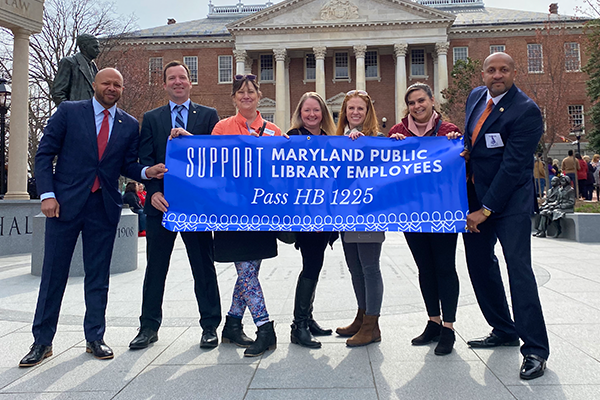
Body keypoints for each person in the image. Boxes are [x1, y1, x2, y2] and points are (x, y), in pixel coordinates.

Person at [20, 68, 167, 368]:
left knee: (98, 277)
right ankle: (42, 341)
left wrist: (145, 172)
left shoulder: (127, 124)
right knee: (53, 275)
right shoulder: (69, 112)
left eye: (117, 84)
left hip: (103, 206)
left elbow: (127, 164)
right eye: (106, 83)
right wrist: (47, 194)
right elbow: (44, 154)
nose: (112, 88)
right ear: (95, 85)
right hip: (64, 205)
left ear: (122, 89)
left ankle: (95, 337)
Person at [462, 52, 549, 380]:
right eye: (491, 70)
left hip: (510, 203)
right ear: (483, 74)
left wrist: (486, 210)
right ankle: (503, 328)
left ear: (514, 72)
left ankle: (536, 350)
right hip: (475, 199)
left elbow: (514, 166)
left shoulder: (526, 110)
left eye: (504, 70)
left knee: (519, 271)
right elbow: (474, 142)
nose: (497, 75)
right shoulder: (474, 97)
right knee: (480, 266)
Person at [130, 60, 222, 350]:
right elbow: (144, 161)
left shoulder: (208, 116)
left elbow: (217, 156)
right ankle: (148, 326)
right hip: (161, 205)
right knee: (156, 267)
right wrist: (152, 190)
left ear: (190, 82)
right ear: (165, 84)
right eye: (172, 78)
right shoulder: (153, 118)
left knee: (203, 266)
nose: (178, 82)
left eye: (183, 77)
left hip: (196, 207)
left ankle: (210, 325)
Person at [388, 82, 461, 355]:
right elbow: (388, 173)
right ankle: (433, 320)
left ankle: (449, 328)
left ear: (432, 101)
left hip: (443, 210)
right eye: (412, 103)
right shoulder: (398, 132)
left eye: (421, 101)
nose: (417, 106)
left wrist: (457, 147)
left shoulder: (448, 132)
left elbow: (461, 167)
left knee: (445, 267)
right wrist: (390, 149)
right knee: (425, 268)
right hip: (412, 212)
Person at [212, 74, 282, 356]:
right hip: (232, 211)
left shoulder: (274, 131)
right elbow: (211, 161)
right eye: (240, 92)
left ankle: (231, 324)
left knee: (249, 271)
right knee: (246, 270)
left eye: (251, 91)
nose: (246, 96)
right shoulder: (222, 127)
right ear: (234, 98)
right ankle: (265, 328)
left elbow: (284, 168)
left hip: (262, 210)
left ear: (259, 96)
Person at [286, 92, 339, 348]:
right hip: (304, 214)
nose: (311, 115)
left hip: (326, 214)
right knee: (311, 264)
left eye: (316, 110)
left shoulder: (330, 140)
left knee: (315, 264)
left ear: (323, 113)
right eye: (306, 110)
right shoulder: (292, 138)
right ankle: (299, 325)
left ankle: (308, 317)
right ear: (300, 112)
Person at [334, 90, 384, 347]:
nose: (355, 113)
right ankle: (361, 315)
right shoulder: (337, 140)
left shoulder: (376, 140)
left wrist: (364, 145)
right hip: (344, 214)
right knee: (354, 268)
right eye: (350, 109)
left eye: (360, 109)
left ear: (368, 113)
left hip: (368, 214)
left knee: (369, 267)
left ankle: (371, 326)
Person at [51, 34, 100, 105]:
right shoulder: (69, 62)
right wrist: (70, 111)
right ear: (84, 47)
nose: (98, 51)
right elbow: (58, 93)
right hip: (76, 113)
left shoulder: (94, 67)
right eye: (95, 47)